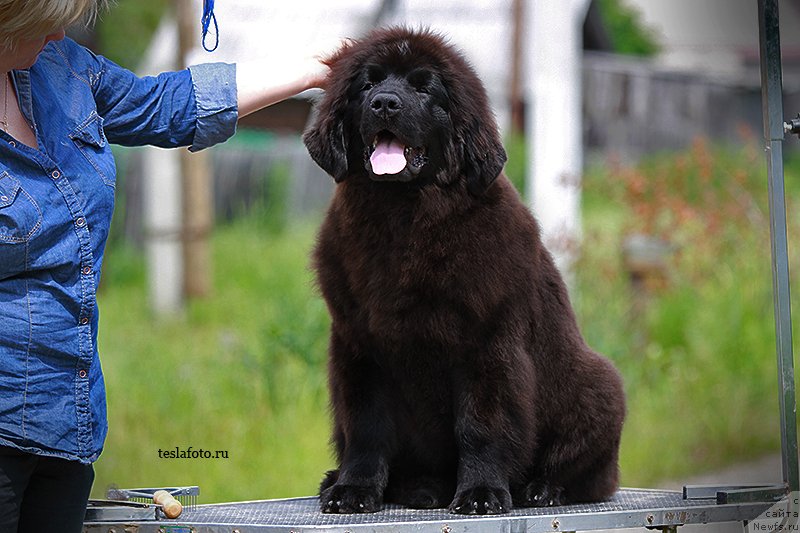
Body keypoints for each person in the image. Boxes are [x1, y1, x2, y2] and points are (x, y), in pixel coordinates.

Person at [0, 1, 330, 531]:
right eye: (44, 18)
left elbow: (169, 104)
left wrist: (316, 68)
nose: (61, 30)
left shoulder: (61, 69)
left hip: (69, 424)